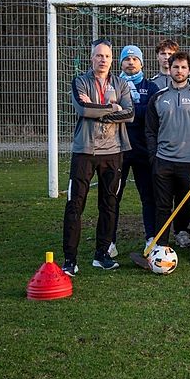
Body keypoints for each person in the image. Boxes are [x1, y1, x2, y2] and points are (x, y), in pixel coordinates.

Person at [61, 39, 134, 276]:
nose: (103, 60)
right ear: (91, 57)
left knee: (109, 203)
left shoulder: (121, 84)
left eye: (107, 56)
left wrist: (99, 111)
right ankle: (70, 259)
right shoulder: (80, 81)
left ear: (112, 60)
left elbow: (130, 113)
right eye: (99, 55)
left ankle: (102, 254)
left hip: (114, 151)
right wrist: (112, 108)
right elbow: (84, 109)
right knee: (75, 204)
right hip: (85, 151)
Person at [145, 51, 190, 264]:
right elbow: (150, 131)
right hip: (163, 161)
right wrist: (154, 157)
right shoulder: (158, 97)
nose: (179, 71)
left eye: (184, 67)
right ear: (170, 69)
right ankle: (160, 247)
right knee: (163, 206)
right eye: (176, 67)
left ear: (189, 70)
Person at [110, 44, 160, 256]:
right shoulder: (112, 85)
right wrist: (130, 112)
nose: (130, 62)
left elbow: (151, 113)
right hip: (117, 149)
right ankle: (109, 241)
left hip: (143, 150)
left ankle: (151, 238)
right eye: (126, 59)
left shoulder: (151, 87)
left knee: (148, 196)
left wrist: (125, 110)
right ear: (120, 63)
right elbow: (109, 112)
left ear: (142, 63)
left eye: (135, 59)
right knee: (113, 196)